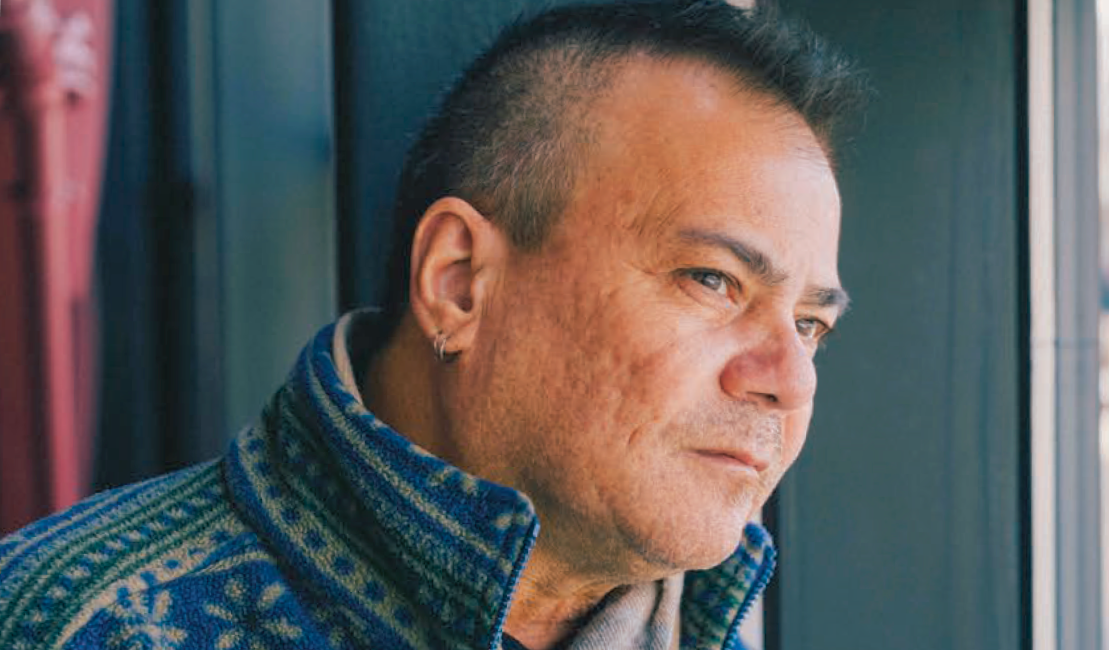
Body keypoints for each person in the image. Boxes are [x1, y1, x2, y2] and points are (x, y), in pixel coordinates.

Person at [0, 1, 865, 648]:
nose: (788, 381)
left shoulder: (724, 623)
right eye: (712, 280)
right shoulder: (73, 624)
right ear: (458, 282)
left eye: (810, 324)